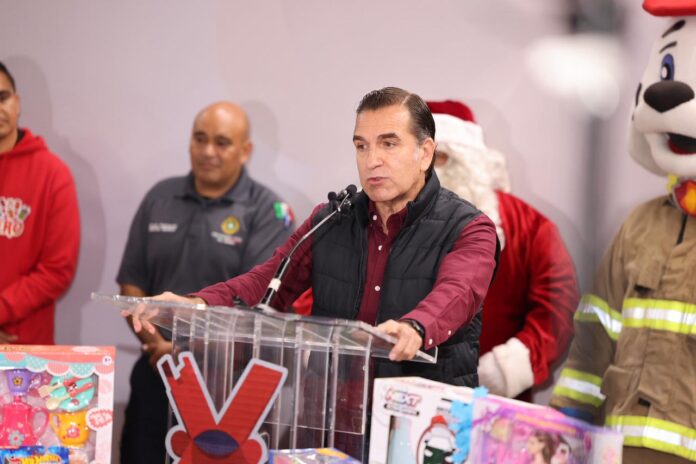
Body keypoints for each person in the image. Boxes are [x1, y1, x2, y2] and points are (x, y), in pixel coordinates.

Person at [139, 87, 499, 386]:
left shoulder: (469, 227)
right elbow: (267, 283)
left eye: (389, 144)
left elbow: (458, 293)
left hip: (423, 423)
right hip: (334, 417)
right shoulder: (331, 220)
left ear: (425, 153)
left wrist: (415, 327)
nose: (372, 160)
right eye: (362, 146)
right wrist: (196, 305)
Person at [117, 101, 295, 463]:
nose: (208, 151)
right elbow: (132, 284)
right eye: (200, 139)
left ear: (245, 151)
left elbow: (256, 307)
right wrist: (159, 346)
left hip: (227, 386)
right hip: (155, 370)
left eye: (222, 142)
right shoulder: (160, 197)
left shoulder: (267, 212)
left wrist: (185, 350)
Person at [426, 100, 579, 401]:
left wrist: (505, 370)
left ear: (469, 162)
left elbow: (558, 309)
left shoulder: (530, 228)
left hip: (492, 407)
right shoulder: (383, 220)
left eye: (441, 158)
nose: (431, 172)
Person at [0, 61, 80, 345]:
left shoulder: (53, 174)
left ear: (17, 102)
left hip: (23, 348)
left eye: (3, 97)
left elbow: (58, 269)